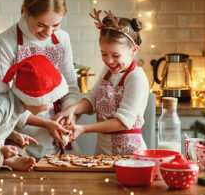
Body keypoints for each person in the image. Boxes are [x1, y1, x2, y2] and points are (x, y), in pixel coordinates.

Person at [0, 0, 81, 158]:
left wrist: (69, 113)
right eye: (41, 25)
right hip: (17, 139)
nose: (48, 33)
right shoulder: (4, 43)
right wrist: (46, 124)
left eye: (56, 25)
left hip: (58, 137)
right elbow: (2, 102)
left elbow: (70, 87)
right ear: (25, 10)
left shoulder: (62, 39)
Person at [54, 9, 149, 156]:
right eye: (104, 54)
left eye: (115, 55)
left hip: (129, 153)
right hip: (103, 152)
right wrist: (72, 109)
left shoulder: (136, 78)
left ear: (134, 50)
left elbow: (123, 122)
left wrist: (84, 128)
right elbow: (92, 100)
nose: (109, 61)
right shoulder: (108, 71)